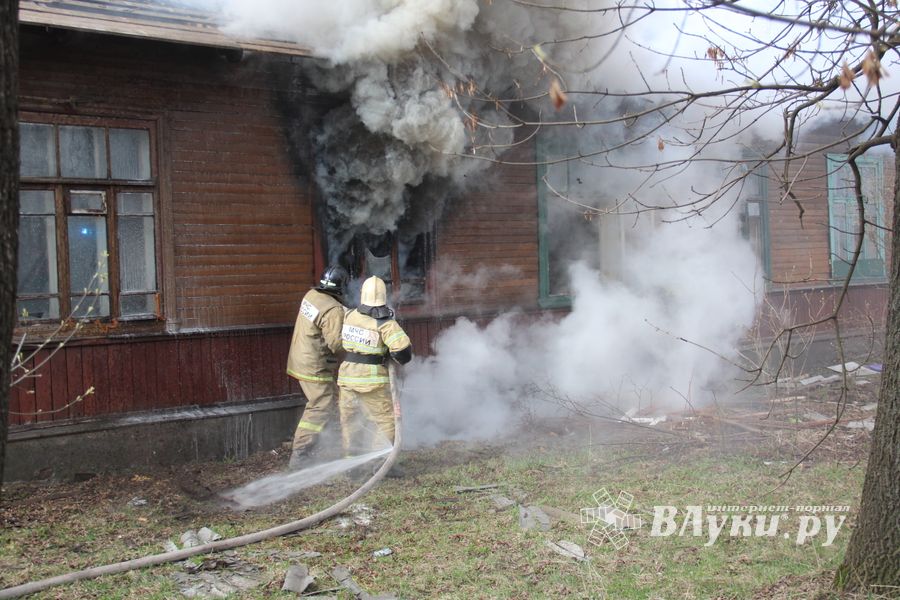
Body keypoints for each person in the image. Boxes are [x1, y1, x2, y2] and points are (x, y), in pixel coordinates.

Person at [337, 276, 412, 457]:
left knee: (350, 421)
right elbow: (403, 352)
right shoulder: (385, 323)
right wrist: (390, 354)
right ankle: (382, 460)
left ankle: (351, 463)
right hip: (372, 381)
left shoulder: (348, 315)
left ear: (362, 295)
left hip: (347, 377)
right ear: (383, 297)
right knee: (385, 421)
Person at [285, 265, 349, 469]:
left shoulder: (311, 295)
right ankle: (301, 454)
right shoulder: (333, 310)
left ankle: (333, 442)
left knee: (333, 398)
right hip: (315, 365)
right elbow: (336, 344)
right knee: (321, 405)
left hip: (300, 357)